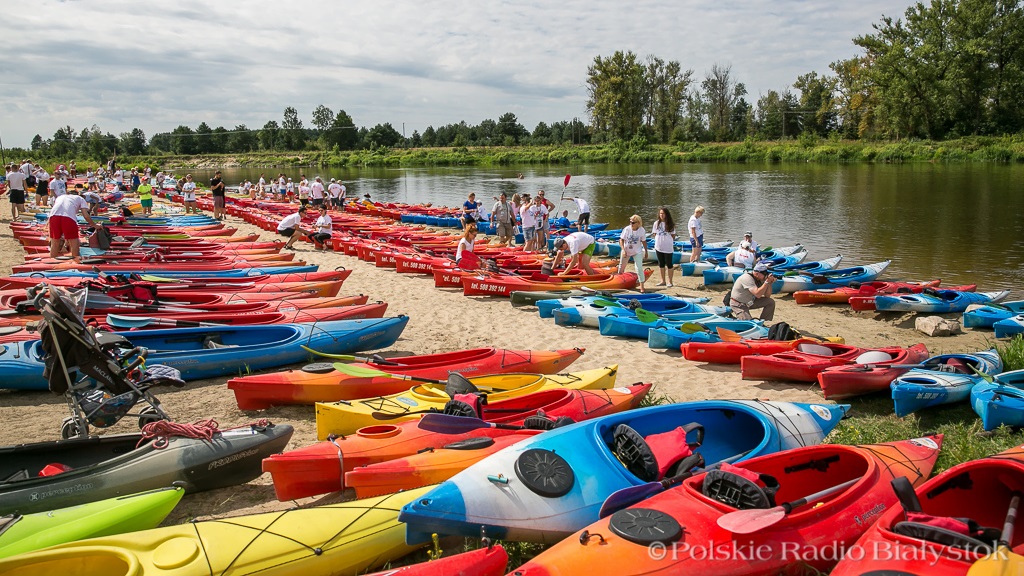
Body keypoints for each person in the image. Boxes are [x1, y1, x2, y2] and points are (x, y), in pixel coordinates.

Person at [48, 185, 96, 260]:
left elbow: (57, 209)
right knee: (74, 242)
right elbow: (86, 216)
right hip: (68, 218)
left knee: (55, 242)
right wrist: (95, 225)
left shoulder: (60, 197)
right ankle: (75, 260)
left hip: (53, 217)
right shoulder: (80, 198)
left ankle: (52, 261)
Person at [618, 215, 649, 292]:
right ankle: (619, 281)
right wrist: (623, 250)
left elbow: (644, 241)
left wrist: (646, 251)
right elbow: (621, 240)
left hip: (637, 251)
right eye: (630, 222)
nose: (631, 224)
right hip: (626, 250)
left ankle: (642, 286)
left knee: (639, 268)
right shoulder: (627, 229)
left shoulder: (641, 230)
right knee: (622, 266)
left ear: (638, 223)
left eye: (633, 222)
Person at [652, 207, 676, 287]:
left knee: (669, 264)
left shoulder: (670, 224)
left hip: (668, 247)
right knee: (661, 264)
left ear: (666, 214)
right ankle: (663, 281)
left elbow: (673, 235)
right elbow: (655, 233)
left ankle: (670, 281)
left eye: (663, 213)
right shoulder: (656, 223)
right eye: (660, 213)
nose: (662, 215)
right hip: (658, 246)